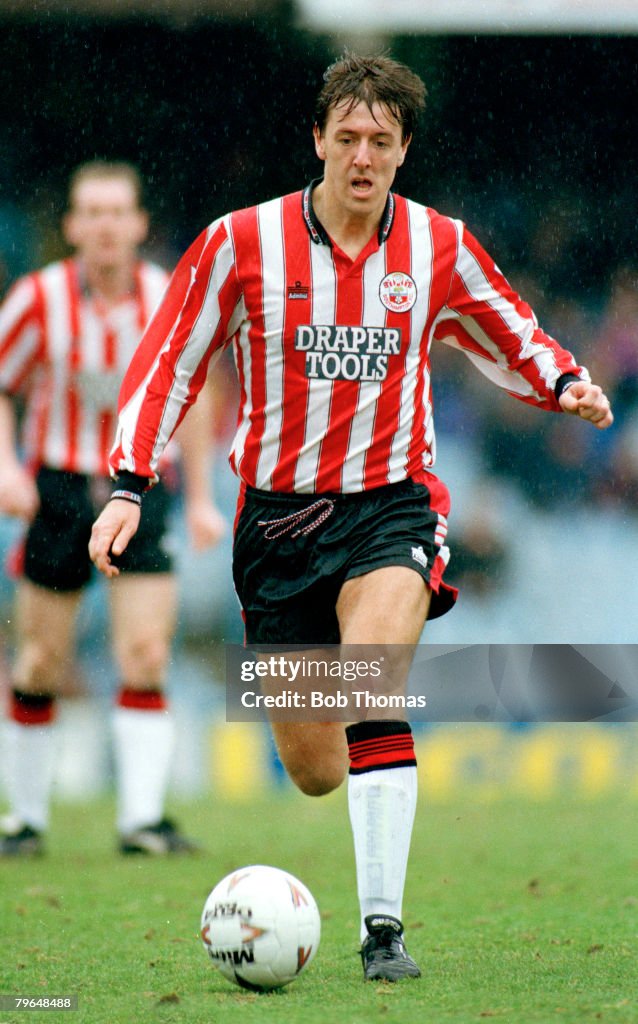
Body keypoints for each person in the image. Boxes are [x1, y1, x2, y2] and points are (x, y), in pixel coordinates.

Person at [89, 56, 613, 980]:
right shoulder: (239, 244)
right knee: (316, 766)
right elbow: (167, 362)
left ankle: (383, 933)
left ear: (404, 149)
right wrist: (129, 483)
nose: (362, 156)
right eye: (347, 138)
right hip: (277, 526)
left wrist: (564, 380)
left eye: (381, 141)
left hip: (391, 508)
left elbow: (506, 323)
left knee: (373, 684)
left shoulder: (437, 245)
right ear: (318, 140)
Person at [0, 161, 225, 858]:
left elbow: (192, 395)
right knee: (39, 661)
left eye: (116, 212)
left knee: (146, 653)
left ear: (138, 224)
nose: (104, 225)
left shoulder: (168, 295)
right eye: (90, 212)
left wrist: (202, 498)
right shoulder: (39, 298)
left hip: (141, 489)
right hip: (62, 488)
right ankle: (26, 821)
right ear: (71, 226)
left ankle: (142, 820)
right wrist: (7, 466)